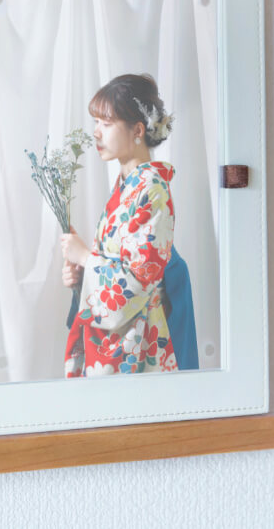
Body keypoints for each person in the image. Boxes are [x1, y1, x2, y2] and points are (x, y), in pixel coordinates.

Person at [60, 73, 197, 377]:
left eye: (107, 124)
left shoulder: (152, 189)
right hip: (123, 340)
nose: (96, 132)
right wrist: (82, 277)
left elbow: (135, 285)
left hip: (141, 345)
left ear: (137, 130)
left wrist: (86, 258)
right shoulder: (128, 186)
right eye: (96, 122)